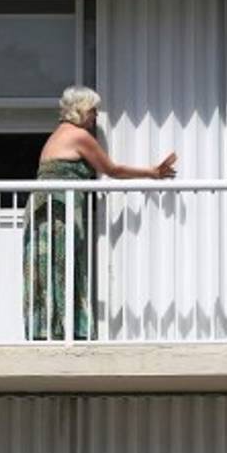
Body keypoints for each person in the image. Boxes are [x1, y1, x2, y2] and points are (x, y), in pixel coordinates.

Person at [24, 86, 177, 340]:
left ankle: (44, 329)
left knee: (46, 264)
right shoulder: (78, 136)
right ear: (81, 110)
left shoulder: (56, 135)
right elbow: (112, 169)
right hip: (60, 206)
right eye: (93, 110)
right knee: (64, 262)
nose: (96, 116)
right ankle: (69, 329)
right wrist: (152, 173)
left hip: (43, 206)